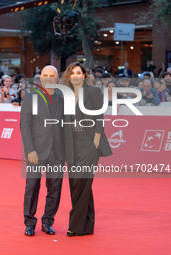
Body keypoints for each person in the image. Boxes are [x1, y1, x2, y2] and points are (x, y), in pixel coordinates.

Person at [62, 62, 112, 237]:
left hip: (89, 144)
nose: (76, 75)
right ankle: (87, 225)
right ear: (69, 76)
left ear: (84, 75)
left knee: (82, 183)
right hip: (71, 146)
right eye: (72, 73)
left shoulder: (93, 92)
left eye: (79, 73)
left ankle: (74, 225)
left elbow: (99, 120)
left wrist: (95, 145)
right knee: (78, 185)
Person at [21, 65, 65, 236]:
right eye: (45, 75)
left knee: (55, 187)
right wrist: (30, 149)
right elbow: (25, 126)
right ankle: (29, 222)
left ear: (57, 78)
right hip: (36, 151)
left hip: (57, 152)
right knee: (32, 186)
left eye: (51, 75)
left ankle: (48, 221)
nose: (48, 78)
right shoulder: (31, 97)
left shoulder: (62, 98)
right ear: (40, 78)